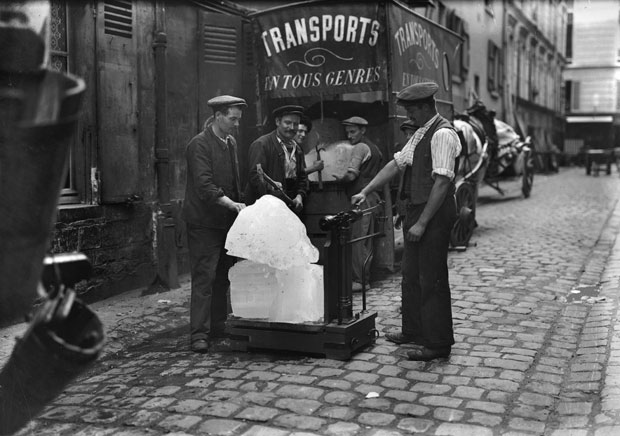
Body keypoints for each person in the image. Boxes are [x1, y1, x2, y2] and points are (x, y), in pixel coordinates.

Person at [351, 82, 461, 361]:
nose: (407, 117)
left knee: (431, 278)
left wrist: (422, 223)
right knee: (410, 275)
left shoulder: (442, 134)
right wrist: (365, 191)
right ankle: (413, 330)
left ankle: (437, 343)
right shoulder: (422, 132)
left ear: (426, 107)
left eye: (411, 111)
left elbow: (441, 183)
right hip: (418, 210)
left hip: (433, 213)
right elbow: (396, 164)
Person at [182, 95, 247, 353]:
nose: (236, 124)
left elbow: (235, 181)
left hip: (224, 222)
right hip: (203, 223)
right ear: (218, 116)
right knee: (204, 278)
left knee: (222, 276)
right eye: (232, 119)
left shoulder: (230, 142)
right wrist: (231, 204)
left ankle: (219, 324)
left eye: (238, 120)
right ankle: (199, 333)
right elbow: (204, 185)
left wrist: (239, 207)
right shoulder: (198, 145)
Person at [335, 116, 383, 292]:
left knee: (357, 240)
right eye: (347, 132)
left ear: (363, 130)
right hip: (372, 198)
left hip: (361, 198)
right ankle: (365, 277)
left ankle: (360, 281)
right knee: (366, 240)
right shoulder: (374, 147)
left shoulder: (360, 147)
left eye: (353, 131)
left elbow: (352, 174)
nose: (349, 136)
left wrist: (339, 178)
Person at [246, 105, 308, 214]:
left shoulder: (297, 149)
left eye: (296, 124)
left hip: (288, 209)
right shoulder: (262, 145)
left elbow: (302, 178)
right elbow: (255, 177)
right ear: (278, 122)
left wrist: (299, 196)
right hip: (265, 210)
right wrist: (272, 188)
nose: (292, 127)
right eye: (288, 123)